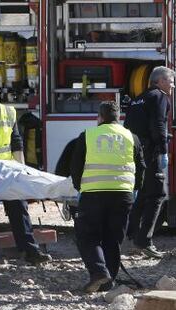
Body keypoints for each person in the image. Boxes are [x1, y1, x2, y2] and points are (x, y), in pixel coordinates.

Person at [71, 101, 145, 293]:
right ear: (118, 117)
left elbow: (76, 166)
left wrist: (80, 187)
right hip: (122, 195)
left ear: (100, 117)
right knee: (113, 238)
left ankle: (98, 272)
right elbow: (141, 167)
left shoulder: (87, 136)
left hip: (93, 194)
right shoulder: (131, 137)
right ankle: (108, 283)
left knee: (88, 236)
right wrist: (135, 189)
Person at [0, 80, 52, 264]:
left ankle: (30, 250)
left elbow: (17, 142)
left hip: (5, 172)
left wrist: (21, 171)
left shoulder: (9, 112)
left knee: (19, 207)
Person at [127, 66, 175, 258]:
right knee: (157, 195)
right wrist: (163, 150)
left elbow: (131, 126)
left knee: (142, 195)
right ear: (161, 81)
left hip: (136, 152)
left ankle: (130, 235)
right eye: (171, 81)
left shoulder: (139, 98)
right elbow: (158, 125)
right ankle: (143, 241)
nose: (173, 85)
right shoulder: (160, 97)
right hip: (151, 153)